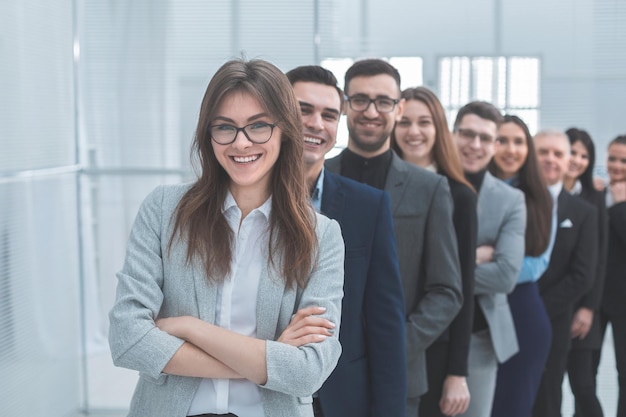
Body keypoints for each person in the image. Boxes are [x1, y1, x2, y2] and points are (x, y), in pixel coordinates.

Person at [108, 58, 346, 417]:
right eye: (225, 127)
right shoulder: (163, 210)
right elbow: (128, 339)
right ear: (208, 133)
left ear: (284, 131)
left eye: (258, 126)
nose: (241, 142)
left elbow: (307, 372)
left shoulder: (321, 236)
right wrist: (265, 357)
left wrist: (191, 329)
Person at [325, 58, 463, 415]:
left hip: (398, 373)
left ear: (398, 107)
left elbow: (446, 290)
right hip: (322, 375)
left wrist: (394, 344)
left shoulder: (429, 189)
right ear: (344, 104)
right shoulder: (317, 177)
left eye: (383, 101)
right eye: (360, 99)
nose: (372, 111)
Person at [286, 65, 407, 417]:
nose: (316, 124)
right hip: (260, 392)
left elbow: (386, 322)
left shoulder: (367, 206)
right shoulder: (246, 200)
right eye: (303, 110)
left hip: (340, 398)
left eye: (328, 114)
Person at [391, 86, 477, 417]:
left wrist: (458, 372)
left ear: (438, 129)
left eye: (424, 122)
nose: (414, 132)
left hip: (435, 349)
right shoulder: (372, 187)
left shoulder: (460, 196)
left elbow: (463, 290)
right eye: (405, 122)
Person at [451, 102, 526, 417]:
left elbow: (506, 275)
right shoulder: (427, 184)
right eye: (467, 134)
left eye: (485, 138)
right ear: (452, 135)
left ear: (495, 145)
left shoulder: (511, 200)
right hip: (424, 329)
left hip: (481, 336)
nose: (475, 145)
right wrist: (476, 257)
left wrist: (442, 272)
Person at [488, 115, 555, 417]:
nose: (510, 149)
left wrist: (493, 258)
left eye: (518, 142)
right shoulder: (468, 188)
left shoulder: (541, 198)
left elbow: (537, 264)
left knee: (513, 407)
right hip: (478, 312)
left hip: (522, 312)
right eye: (502, 140)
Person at [532, 129, 598, 417]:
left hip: (554, 320)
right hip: (503, 319)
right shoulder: (513, 199)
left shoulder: (583, 212)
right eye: (542, 152)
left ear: (567, 158)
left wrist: (533, 308)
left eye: (558, 153)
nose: (550, 159)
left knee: (547, 399)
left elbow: (582, 274)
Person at [564, 128, 608, 417]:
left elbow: (599, 257)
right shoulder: (542, 191)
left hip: (582, 308)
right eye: (573, 152)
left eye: (584, 155)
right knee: (546, 385)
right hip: (551, 304)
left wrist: (589, 308)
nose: (577, 160)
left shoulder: (595, 197)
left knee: (583, 386)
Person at [599, 135, 626, 417]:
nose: (616, 165)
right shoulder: (598, 192)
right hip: (595, 298)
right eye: (612, 158)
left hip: (624, 302)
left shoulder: (619, 200)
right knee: (584, 372)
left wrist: (620, 206)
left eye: (623, 160)